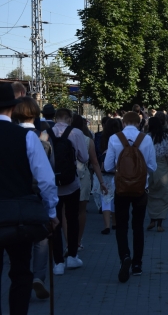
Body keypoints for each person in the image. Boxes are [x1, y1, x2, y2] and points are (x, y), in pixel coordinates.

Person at [0, 84, 59, 313]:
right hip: (19, 216)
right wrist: (51, 213)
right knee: (21, 272)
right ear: (13, 107)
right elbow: (45, 180)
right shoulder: (27, 137)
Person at [104, 112, 157, 282]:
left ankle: (124, 256)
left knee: (121, 226)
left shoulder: (114, 138)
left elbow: (107, 165)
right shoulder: (146, 139)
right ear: (139, 122)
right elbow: (152, 167)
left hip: (120, 189)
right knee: (138, 226)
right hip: (141, 189)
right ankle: (137, 264)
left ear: (124, 122)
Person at [12, 96, 56, 300]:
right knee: (41, 239)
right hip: (36, 196)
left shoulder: (10, 136)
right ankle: (38, 276)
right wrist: (52, 210)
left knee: (16, 243)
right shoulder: (40, 139)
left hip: (12, 198)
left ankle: (19, 277)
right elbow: (48, 176)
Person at [49, 108, 89, 275]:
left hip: (52, 185)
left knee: (55, 222)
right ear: (69, 119)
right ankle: (72, 255)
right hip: (71, 183)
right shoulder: (76, 133)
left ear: (55, 118)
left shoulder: (45, 133)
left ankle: (58, 262)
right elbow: (84, 158)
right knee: (72, 219)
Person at [72, 114, 107, 249]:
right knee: (81, 210)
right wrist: (101, 181)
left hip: (65, 178)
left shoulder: (62, 137)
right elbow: (95, 163)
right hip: (83, 177)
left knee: (65, 211)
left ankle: (68, 241)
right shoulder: (87, 140)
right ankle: (78, 241)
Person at [146, 117, 168, 233]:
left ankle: (152, 220)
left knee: (151, 194)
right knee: (164, 194)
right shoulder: (166, 137)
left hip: (149, 167)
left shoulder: (146, 137)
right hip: (162, 166)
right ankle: (160, 223)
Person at [98, 118, 122, 234]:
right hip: (118, 173)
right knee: (116, 199)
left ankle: (106, 225)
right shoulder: (121, 139)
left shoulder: (100, 137)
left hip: (105, 173)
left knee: (105, 199)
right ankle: (115, 223)